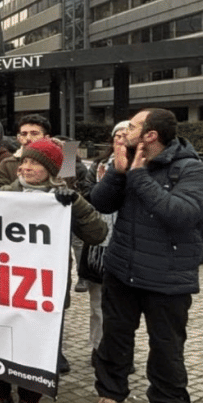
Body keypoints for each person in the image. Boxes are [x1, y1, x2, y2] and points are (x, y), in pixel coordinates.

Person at [91, 108, 203, 403]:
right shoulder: (124, 163)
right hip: (122, 271)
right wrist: (117, 173)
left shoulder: (192, 168)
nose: (124, 132)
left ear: (150, 135)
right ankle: (111, 394)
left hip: (169, 278)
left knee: (168, 347)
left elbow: (180, 214)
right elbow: (101, 203)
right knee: (115, 339)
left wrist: (137, 176)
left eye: (133, 127)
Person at [0, 138, 107, 403]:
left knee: (37, 344)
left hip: (44, 289)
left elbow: (97, 233)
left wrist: (75, 204)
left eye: (33, 163)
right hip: (4, 283)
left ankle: (30, 402)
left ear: (50, 169)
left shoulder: (64, 199)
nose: (24, 167)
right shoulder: (4, 195)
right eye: (23, 162)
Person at [81, 121, 127, 369]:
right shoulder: (99, 165)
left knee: (122, 309)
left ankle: (119, 351)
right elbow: (83, 192)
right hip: (97, 243)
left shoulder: (143, 166)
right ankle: (97, 348)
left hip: (124, 242)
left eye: (125, 135)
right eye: (116, 135)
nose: (120, 139)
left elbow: (70, 178)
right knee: (97, 304)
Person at [0, 114, 51, 189]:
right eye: (24, 134)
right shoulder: (7, 164)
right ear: (19, 138)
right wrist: (21, 182)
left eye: (34, 134)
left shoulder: (59, 163)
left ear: (46, 138)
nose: (28, 138)